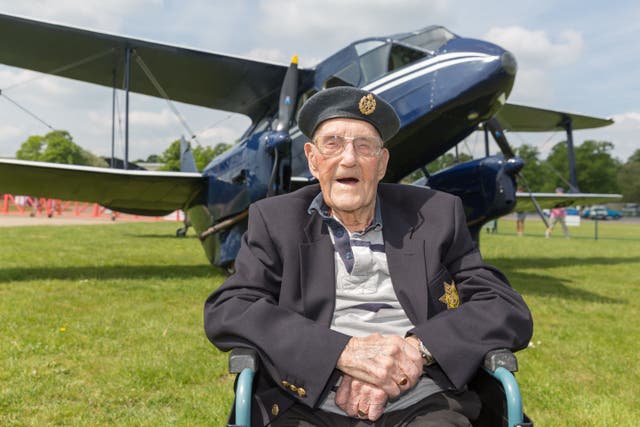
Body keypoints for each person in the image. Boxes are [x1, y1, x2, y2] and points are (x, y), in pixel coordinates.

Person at [204, 87, 533, 426]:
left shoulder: (436, 215)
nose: (349, 159)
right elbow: (231, 308)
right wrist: (341, 353)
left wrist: (418, 349)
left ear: (382, 164)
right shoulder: (276, 219)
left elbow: (503, 307)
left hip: (426, 397)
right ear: (313, 160)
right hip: (304, 400)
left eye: (364, 146)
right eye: (332, 144)